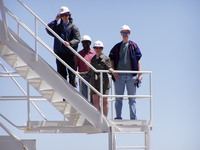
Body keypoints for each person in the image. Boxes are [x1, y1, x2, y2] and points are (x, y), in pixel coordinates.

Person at [109, 25, 142, 120]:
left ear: (129, 33)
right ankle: (118, 117)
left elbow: (138, 60)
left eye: (126, 32)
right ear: (121, 34)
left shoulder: (134, 46)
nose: (125, 34)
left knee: (132, 99)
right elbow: (111, 59)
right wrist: (114, 71)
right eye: (123, 32)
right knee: (118, 98)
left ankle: (133, 118)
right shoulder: (117, 47)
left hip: (132, 75)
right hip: (119, 75)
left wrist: (140, 75)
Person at [46, 6, 80, 87]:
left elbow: (77, 39)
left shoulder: (73, 27)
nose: (65, 16)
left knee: (72, 74)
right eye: (62, 15)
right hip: (60, 53)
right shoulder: (57, 27)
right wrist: (55, 20)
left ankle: (72, 92)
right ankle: (65, 95)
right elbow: (48, 29)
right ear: (60, 16)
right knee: (61, 74)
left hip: (70, 53)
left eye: (66, 14)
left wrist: (70, 43)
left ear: (69, 15)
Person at [88, 40, 113, 117]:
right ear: (94, 49)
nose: (98, 49)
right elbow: (90, 72)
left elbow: (109, 69)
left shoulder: (106, 58)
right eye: (96, 48)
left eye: (100, 48)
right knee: (95, 101)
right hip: (94, 82)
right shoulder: (93, 59)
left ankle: (105, 118)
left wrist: (110, 70)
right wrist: (80, 73)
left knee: (105, 101)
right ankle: (98, 118)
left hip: (104, 82)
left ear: (102, 49)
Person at [76, 35, 95, 103]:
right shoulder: (79, 54)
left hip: (93, 77)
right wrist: (74, 79)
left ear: (90, 43)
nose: (85, 44)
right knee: (84, 96)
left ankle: (92, 112)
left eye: (87, 42)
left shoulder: (94, 54)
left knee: (93, 96)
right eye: (84, 42)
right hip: (83, 77)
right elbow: (75, 67)